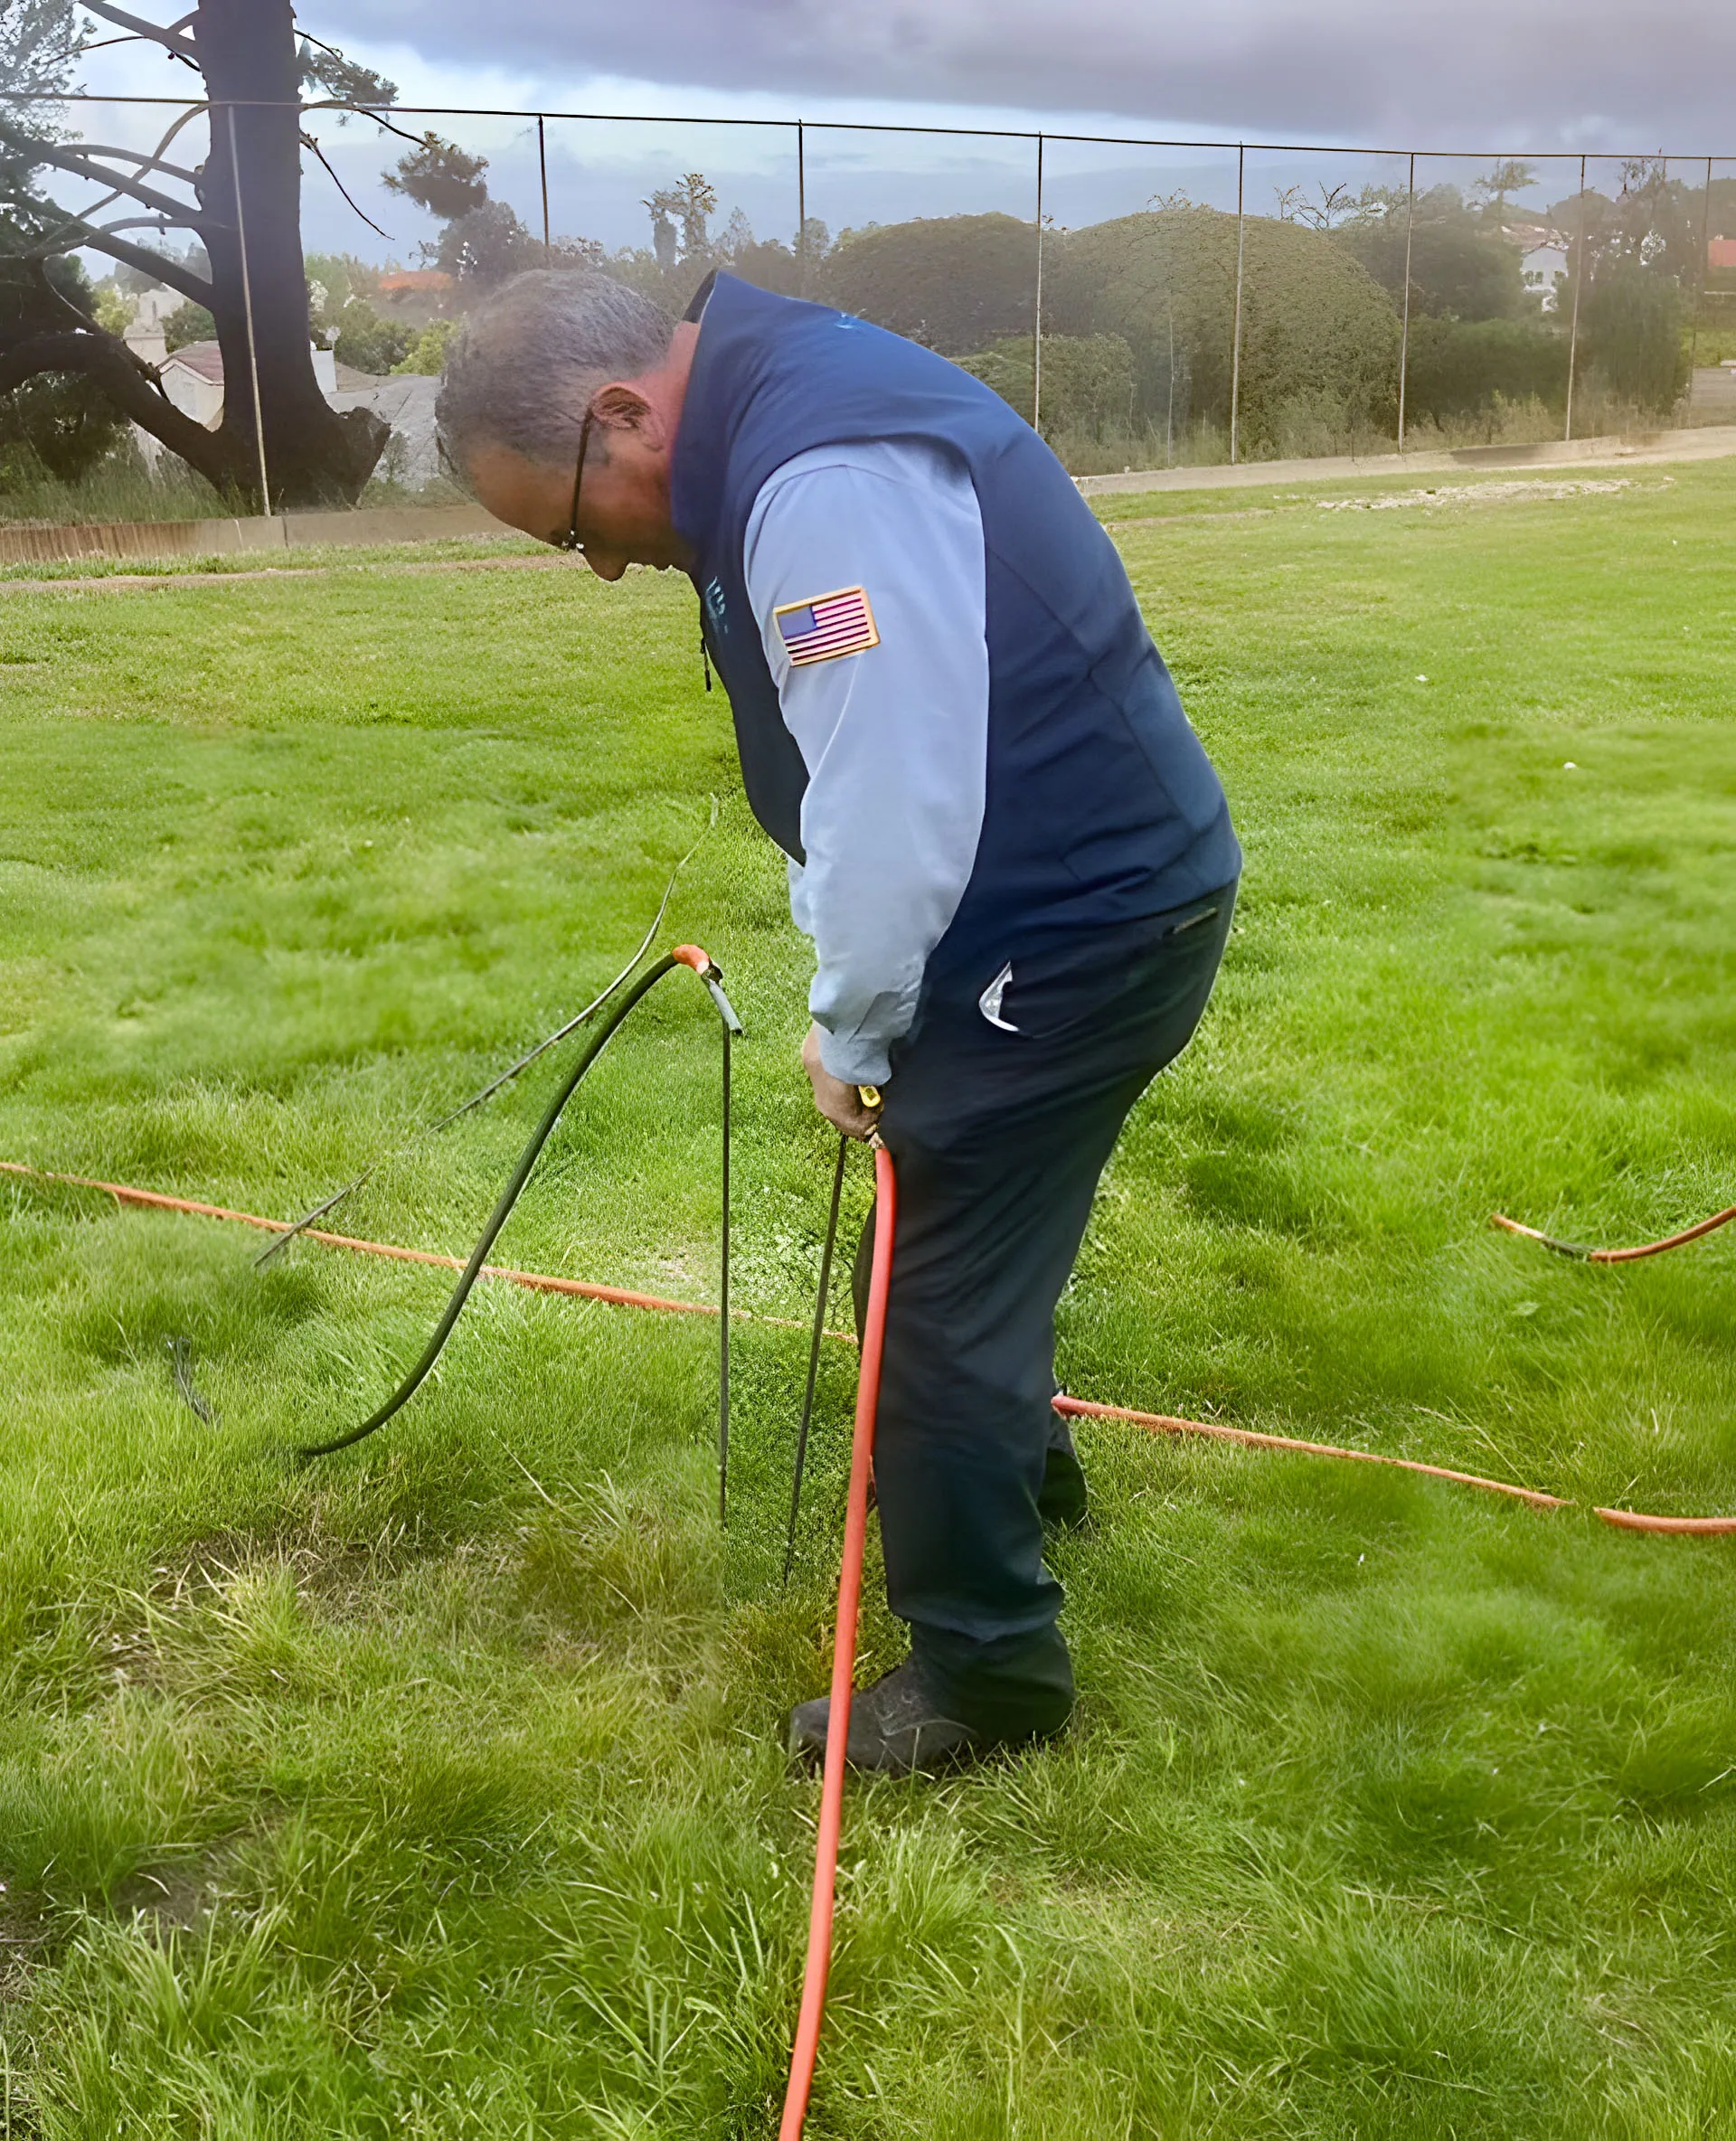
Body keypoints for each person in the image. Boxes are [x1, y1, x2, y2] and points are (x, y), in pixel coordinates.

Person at [435, 267, 1241, 1775]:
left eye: (564, 525)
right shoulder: (774, 410)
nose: (594, 567)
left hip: (1074, 926)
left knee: (924, 1306)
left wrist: (852, 1032)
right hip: (1094, 902)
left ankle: (989, 1674)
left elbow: (895, 798)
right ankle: (1027, 1479)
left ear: (623, 414)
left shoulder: (816, 475)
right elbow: (845, 779)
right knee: (955, 1230)